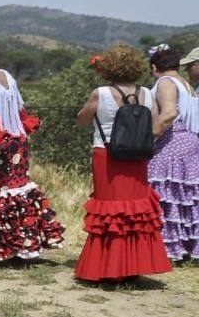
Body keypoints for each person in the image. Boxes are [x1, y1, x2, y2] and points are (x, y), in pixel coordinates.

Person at [0, 31, 65, 262]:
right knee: (18, 187)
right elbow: (20, 108)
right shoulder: (7, 76)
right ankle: (23, 242)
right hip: (18, 141)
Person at [74, 45, 171, 282]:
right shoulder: (147, 93)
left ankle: (108, 268)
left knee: (109, 209)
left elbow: (82, 121)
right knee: (134, 210)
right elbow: (156, 127)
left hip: (106, 156)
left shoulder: (101, 93)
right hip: (137, 157)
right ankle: (131, 268)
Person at [148, 44, 199, 261]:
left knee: (163, 191)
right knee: (182, 194)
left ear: (153, 67)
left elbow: (168, 114)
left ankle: (168, 247)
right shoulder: (185, 83)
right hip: (189, 142)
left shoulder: (165, 82)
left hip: (173, 142)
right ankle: (185, 244)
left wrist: (151, 136)